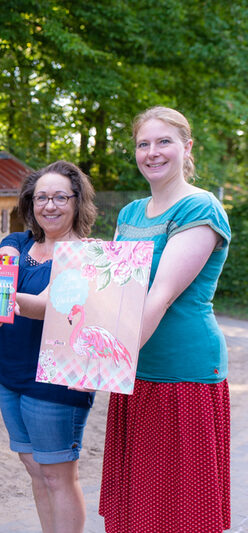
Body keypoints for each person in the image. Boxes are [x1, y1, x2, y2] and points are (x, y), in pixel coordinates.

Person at [99, 106, 231, 532]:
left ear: (187, 147)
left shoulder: (200, 208)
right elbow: (114, 292)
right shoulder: (131, 214)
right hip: (136, 373)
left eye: (163, 142)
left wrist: (107, 359)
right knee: (137, 508)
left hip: (183, 374)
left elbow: (160, 296)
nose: (152, 152)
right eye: (143, 144)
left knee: (179, 511)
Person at [0, 161, 97, 533]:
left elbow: (48, 305)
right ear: (30, 204)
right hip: (9, 373)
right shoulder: (16, 242)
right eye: (41, 197)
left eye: (60, 197)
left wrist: (5, 299)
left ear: (77, 202)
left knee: (58, 475)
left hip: (56, 379)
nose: (50, 205)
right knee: (34, 468)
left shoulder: (86, 256)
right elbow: (3, 263)